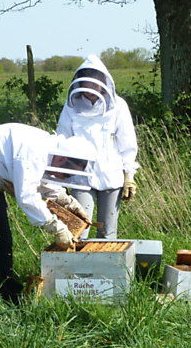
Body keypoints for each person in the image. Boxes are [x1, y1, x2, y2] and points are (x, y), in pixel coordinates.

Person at [0, 123, 95, 302]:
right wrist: (56, 228)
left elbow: (41, 180)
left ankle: (7, 289)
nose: (62, 177)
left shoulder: (47, 151)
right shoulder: (33, 152)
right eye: (65, 173)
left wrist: (68, 201)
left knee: (3, 238)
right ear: (62, 159)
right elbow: (27, 196)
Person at [56, 54, 139, 239]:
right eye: (88, 84)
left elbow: (127, 143)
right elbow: (62, 141)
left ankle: (106, 267)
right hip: (80, 176)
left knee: (107, 233)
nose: (91, 89)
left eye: (95, 84)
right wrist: (60, 180)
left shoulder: (118, 106)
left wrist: (129, 176)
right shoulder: (71, 107)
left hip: (111, 174)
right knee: (78, 229)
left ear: (103, 82)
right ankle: (78, 268)